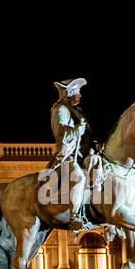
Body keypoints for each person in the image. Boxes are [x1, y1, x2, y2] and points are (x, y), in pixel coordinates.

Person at [48, 78, 94, 231]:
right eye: (78, 92)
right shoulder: (60, 110)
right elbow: (61, 132)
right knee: (78, 178)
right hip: (69, 155)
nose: (80, 95)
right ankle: (74, 217)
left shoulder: (76, 111)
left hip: (83, 154)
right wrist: (75, 131)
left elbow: (87, 135)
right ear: (69, 93)